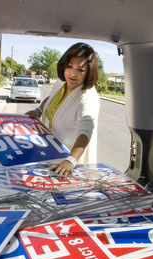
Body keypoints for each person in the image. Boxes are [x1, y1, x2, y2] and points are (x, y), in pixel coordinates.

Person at [26, 42, 100, 176]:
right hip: (47, 154)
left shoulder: (88, 97)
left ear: (89, 72)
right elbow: (51, 98)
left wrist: (70, 161)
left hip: (66, 167)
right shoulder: (62, 83)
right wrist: (39, 110)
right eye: (70, 66)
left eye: (80, 69)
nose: (72, 73)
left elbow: (85, 131)